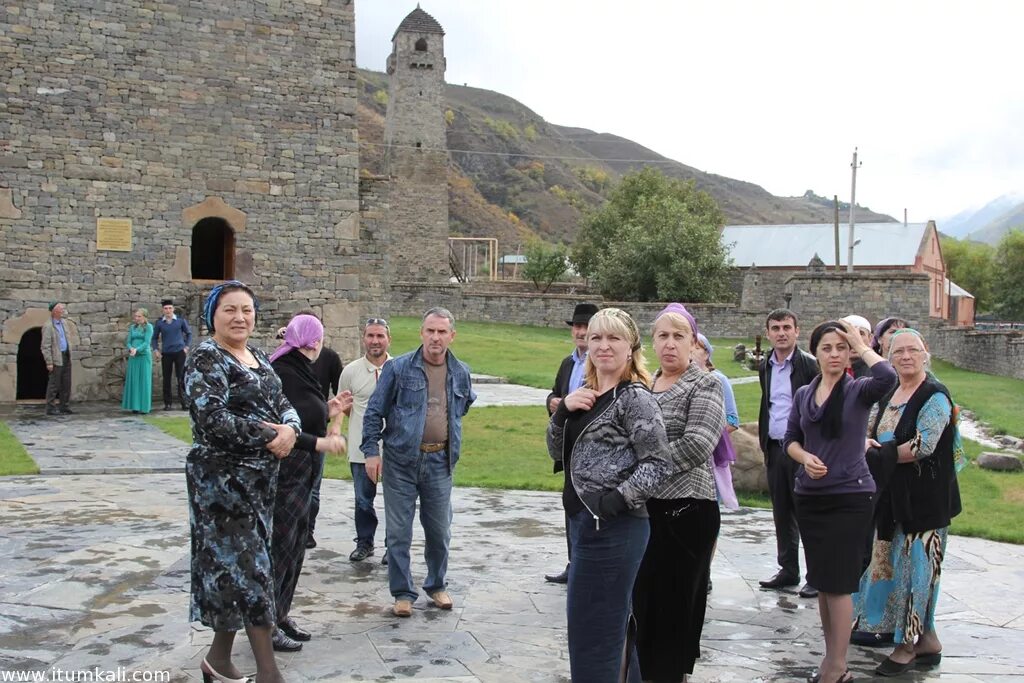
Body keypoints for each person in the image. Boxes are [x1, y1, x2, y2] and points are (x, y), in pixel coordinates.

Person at [184, 280, 302, 683]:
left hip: (259, 486)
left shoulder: (258, 356)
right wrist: (272, 435)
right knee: (252, 573)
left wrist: (291, 428)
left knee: (236, 572)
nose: (240, 317)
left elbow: (282, 402)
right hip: (222, 488)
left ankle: (217, 662)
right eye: (230, 310)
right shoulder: (206, 357)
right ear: (212, 316)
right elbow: (212, 418)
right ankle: (269, 674)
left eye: (246, 310)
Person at [547, 307, 671, 683]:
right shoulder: (586, 395)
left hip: (615, 529)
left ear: (630, 347)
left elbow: (658, 464)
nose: (603, 345)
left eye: (614, 338)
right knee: (605, 624)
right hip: (583, 524)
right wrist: (562, 414)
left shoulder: (635, 399)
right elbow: (555, 453)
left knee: (595, 630)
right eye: (596, 337)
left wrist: (613, 502)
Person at [784, 320, 897, 683]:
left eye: (841, 348)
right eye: (827, 348)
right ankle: (832, 660)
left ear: (849, 353)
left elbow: (888, 377)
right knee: (821, 581)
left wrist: (860, 345)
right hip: (810, 497)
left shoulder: (858, 390)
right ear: (815, 353)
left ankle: (837, 665)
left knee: (839, 583)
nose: (834, 354)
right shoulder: (804, 394)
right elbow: (790, 439)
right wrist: (805, 458)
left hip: (850, 496)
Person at [854, 328, 962, 677]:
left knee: (919, 572)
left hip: (926, 502)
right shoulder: (890, 392)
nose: (905, 356)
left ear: (924, 353)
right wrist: (866, 444)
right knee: (898, 569)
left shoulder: (935, 395)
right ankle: (928, 640)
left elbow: (922, 445)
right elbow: (871, 431)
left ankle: (907, 646)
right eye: (898, 351)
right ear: (889, 357)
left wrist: (877, 454)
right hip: (894, 498)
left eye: (912, 350)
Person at [361, 308, 476, 617]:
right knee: (399, 532)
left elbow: (464, 404)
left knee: (439, 531)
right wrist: (371, 452)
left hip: (440, 462)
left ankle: (436, 585)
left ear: (452, 336)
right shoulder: (398, 368)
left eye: (442, 332)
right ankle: (402, 593)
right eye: (430, 331)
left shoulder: (461, 372)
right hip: (400, 462)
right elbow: (374, 411)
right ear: (421, 333)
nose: (435, 337)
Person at [633, 305, 725, 683]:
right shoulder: (642, 385)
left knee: (675, 608)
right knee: (644, 604)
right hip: (644, 511)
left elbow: (697, 444)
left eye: (679, 336)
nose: (670, 344)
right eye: (663, 336)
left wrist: (638, 470)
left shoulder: (705, 384)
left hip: (686, 512)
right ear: (652, 342)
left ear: (693, 343)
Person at [268, 314, 348, 652]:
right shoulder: (284, 370)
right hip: (289, 469)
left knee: (296, 543)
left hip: (304, 470)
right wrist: (323, 441)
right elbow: (283, 426)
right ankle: (267, 624)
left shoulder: (300, 369)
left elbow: (305, 414)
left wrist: (330, 409)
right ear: (314, 341)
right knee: (281, 545)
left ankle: (281, 614)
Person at [757, 308, 819, 598]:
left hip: (802, 449)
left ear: (797, 331)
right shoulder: (765, 366)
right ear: (768, 333)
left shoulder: (809, 365)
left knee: (806, 511)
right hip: (774, 446)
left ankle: (816, 574)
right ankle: (788, 569)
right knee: (781, 511)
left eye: (786, 327)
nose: (781, 333)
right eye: (775, 328)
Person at [544, 301, 599, 584]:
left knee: (591, 509)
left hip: (593, 447)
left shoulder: (601, 363)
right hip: (567, 446)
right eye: (577, 326)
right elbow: (555, 393)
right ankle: (573, 563)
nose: (581, 332)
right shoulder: (568, 363)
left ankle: (588, 566)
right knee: (571, 506)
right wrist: (552, 403)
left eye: (586, 326)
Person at [338, 317, 392, 561]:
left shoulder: (398, 368)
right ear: (364, 339)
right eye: (371, 336)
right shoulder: (350, 371)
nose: (375, 341)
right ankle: (365, 543)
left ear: (388, 339)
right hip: (361, 449)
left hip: (392, 448)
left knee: (395, 501)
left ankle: (393, 546)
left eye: (380, 336)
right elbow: (345, 406)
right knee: (363, 500)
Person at [692, 332, 741, 596]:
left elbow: (733, 419)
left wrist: (706, 431)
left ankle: (705, 571)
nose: (691, 352)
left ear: (707, 353)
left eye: (697, 348)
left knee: (708, 515)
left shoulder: (718, 379)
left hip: (711, 457)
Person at [152, 299, 193, 411]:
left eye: (170, 308)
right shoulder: (160, 323)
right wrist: (156, 350)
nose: (168, 310)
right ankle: (168, 403)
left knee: (181, 377)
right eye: (166, 308)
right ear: (163, 310)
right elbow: (154, 338)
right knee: (166, 379)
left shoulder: (180, 321)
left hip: (180, 352)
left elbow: (189, 334)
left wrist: (186, 347)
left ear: (173, 309)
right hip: (166, 353)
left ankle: (184, 402)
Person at [41, 301, 77, 416]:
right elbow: (45, 346)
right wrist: (49, 362)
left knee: (66, 383)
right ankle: (50, 408)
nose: (63, 310)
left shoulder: (64, 323)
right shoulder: (48, 326)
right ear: (55, 311)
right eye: (60, 308)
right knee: (54, 384)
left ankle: (64, 406)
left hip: (66, 355)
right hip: (56, 357)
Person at [121, 308, 154, 414]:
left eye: (139, 316)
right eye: (136, 316)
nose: (137, 318)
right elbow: (128, 341)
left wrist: (137, 349)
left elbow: (146, 342)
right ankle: (135, 406)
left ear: (145, 317)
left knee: (144, 381)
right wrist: (131, 348)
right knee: (134, 380)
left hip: (144, 356)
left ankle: (144, 407)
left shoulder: (148, 327)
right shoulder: (132, 327)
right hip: (133, 356)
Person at [841, 314, 874, 378]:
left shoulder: (878, 370)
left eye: (861, 333)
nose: (855, 338)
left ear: (870, 338)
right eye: (849, 333)